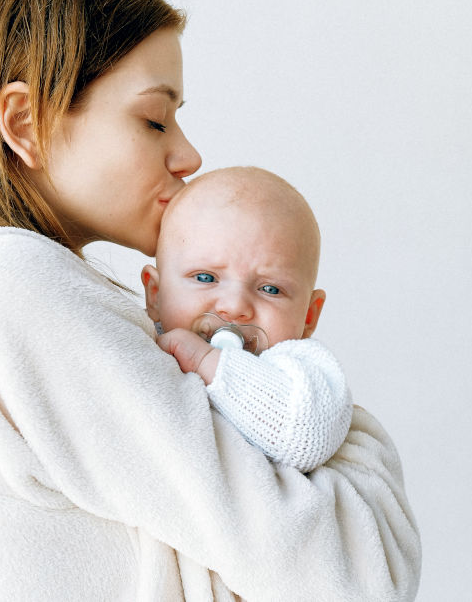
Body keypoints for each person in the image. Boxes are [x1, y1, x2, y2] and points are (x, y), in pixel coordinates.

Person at [0, 0, 421, 601]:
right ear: (24, 121)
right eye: (154, 119)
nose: (187, 154)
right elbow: (355, 576)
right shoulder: (7, 285)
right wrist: (346, 430)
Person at [142, 166, 354, 473]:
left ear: (309, 316)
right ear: (155, 294)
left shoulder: (304, 371)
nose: (235, 306)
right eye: (205, 277)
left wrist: (206, 362)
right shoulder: (137, 345)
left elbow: (305, 438)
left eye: (270, 289)